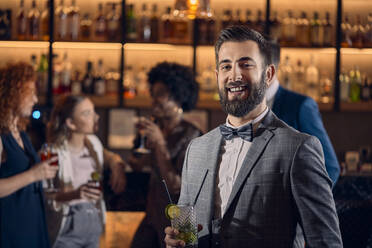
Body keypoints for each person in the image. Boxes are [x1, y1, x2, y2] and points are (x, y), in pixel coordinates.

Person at [164, 26, 343, 248]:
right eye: (226, 66)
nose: (235, 75)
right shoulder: (196, 149)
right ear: (218, 76)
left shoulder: (299, 148)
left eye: (245, 64)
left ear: (268, 75)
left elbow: (326, 242)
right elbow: (185, 235)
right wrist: (177, 242)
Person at [129, 62, 203, 248]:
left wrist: (160, 144)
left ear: (178, 97)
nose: (153, 99)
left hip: (182, 219)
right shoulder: (155, 128)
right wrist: (138, 150)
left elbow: (176, 186)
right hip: (153, 214)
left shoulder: (192, 135)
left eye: (160, 94)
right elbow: (138, 166)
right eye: (152, 94)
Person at [46, 94, 127, 248]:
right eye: (86, 113)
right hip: (68, 224)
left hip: (94, 220)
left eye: (93, 111)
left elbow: (109, 155)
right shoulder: (53, 153)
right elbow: (44, 196)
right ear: (70, 123)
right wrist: (74, 194)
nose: (95, 117)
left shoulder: (93, 143)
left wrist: (117, 164)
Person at [0, 62, 58, 247]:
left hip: (31, 227)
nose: (34, 99)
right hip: (10, 232)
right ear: (14, 92)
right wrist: (34, 174)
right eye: (30, 92)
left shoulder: (21, 134)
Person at [266, 40, 340, 185]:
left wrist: (303, 205)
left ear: (270, 69)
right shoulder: (241, 106)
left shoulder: (301, 106)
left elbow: (330, 167)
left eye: (246, 64)